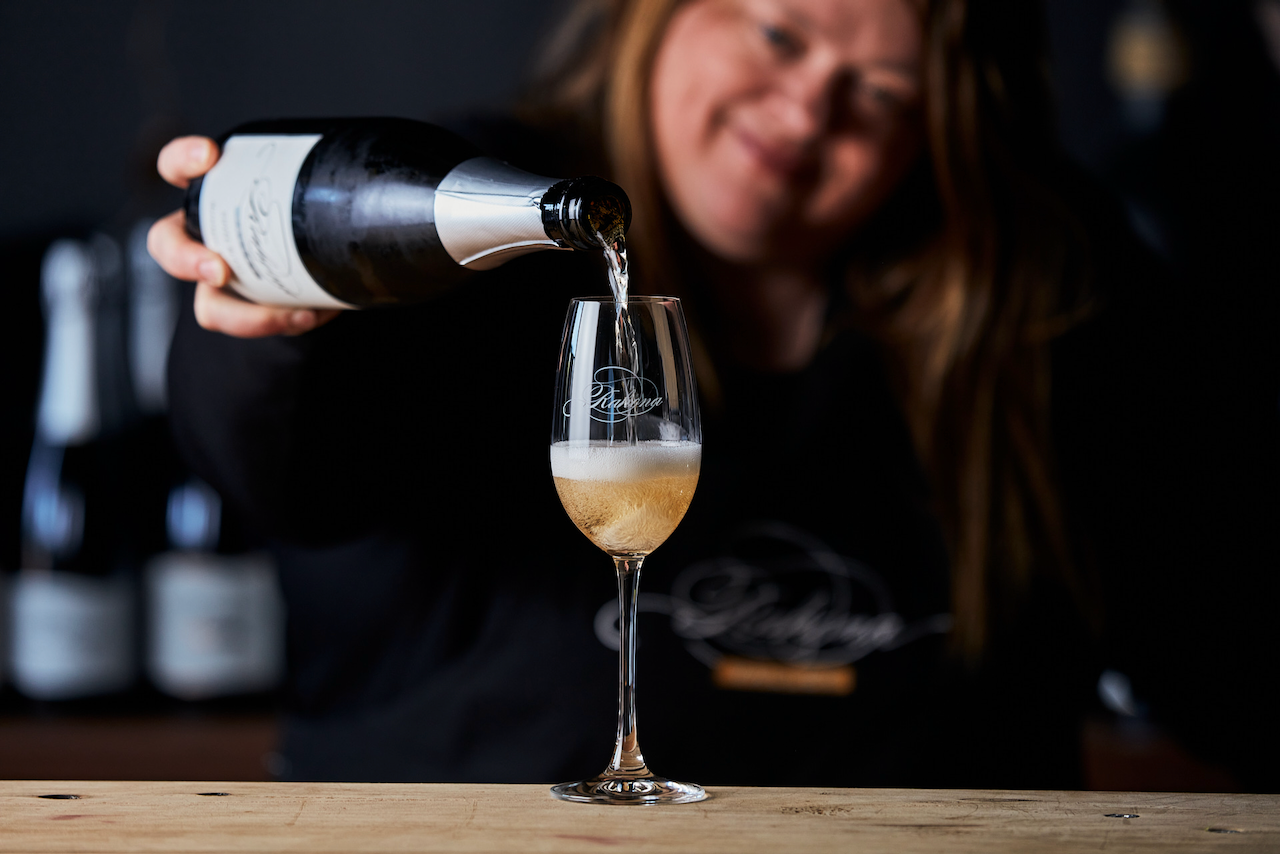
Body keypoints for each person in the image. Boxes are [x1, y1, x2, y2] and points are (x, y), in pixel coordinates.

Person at [147, 0, 1244, 788]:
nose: (810, 110)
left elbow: (1216, 628)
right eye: (779, 35)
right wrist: (265, 332)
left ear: (941, 129)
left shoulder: (1044, 290)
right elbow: (275, 462)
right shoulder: (485, 207)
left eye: (880, 93)